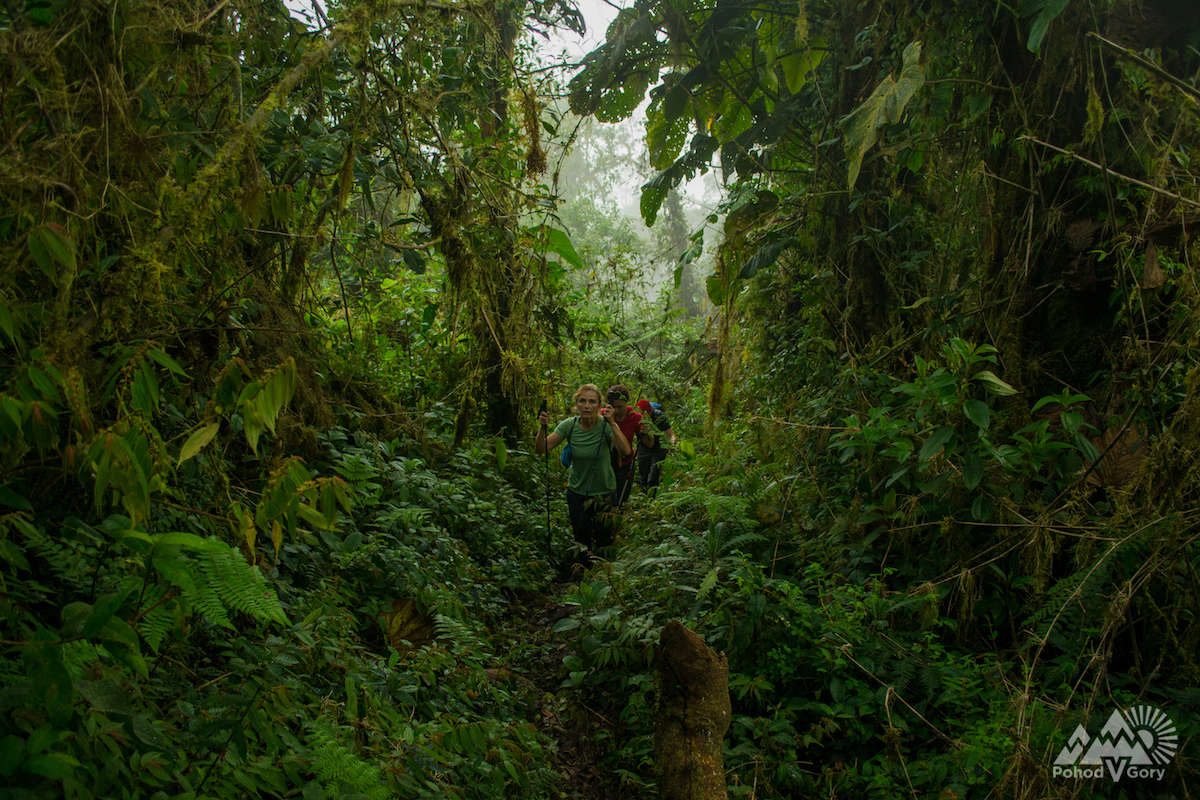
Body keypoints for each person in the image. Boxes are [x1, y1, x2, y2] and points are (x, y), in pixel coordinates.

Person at [535, 384, 631, 564]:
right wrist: (542, 427)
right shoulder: (569, 425)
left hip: (604, 493)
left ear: (599, 405)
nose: (587, 406)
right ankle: (583, 579)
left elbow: (626, 450)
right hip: (577, 494)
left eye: (592, 402)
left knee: (605, 543)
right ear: (577, 404)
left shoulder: (605, 425)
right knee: (581, 541)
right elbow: (542, 448)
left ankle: (605, 581)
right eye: (583, 401)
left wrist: (612, 422)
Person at [603, 385, 642, 508]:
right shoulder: (603, 416)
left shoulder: (635, 418)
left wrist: (646, 432)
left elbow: (648, 443)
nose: (617, 411)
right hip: (605, 464)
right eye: (614, 407)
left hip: (625, 464)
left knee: (621, 499)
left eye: (620, 407)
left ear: (626, 403)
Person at [635, 398, 677, 493]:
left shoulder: (659, 416)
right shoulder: (636, 417)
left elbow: (671, 434)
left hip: (659, 448)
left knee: (654, 474)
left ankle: (652, 498)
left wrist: (671, 445)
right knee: (643, 474)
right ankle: (644, 497)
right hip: (643, 447)